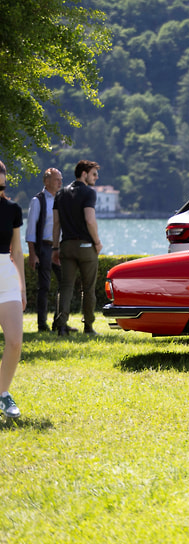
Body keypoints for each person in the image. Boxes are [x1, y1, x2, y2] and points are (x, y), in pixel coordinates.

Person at [52, 160, 103, 336]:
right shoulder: (89, 193)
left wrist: (55, 248)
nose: (96, 177)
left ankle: (61, 327)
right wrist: (97, 242)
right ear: (84, 174)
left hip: (66, 245)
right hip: (85, 246)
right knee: (88, 288)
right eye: (94, 174)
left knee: (65, 286)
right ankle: (88, 327)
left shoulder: (60, 194)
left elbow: (56, 224)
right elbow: (90, 219)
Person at [0, 160, 26, 418]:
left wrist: (22, 288)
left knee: (15, 341)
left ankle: (3, 393)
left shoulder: (12, 209)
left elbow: (17, 250)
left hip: (6, 276)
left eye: (3, 172)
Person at [26, 168, 65, 333]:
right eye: (57, 179)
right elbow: (30, 230)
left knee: (65, 284)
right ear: (47, 181)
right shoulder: (38, 201)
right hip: (44, 248)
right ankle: (42, 325)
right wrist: (32, 254)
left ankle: (59, 321)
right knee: (45, 287)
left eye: (60, 179)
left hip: (59, 248)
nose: (60, 183)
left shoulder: (62, 199)